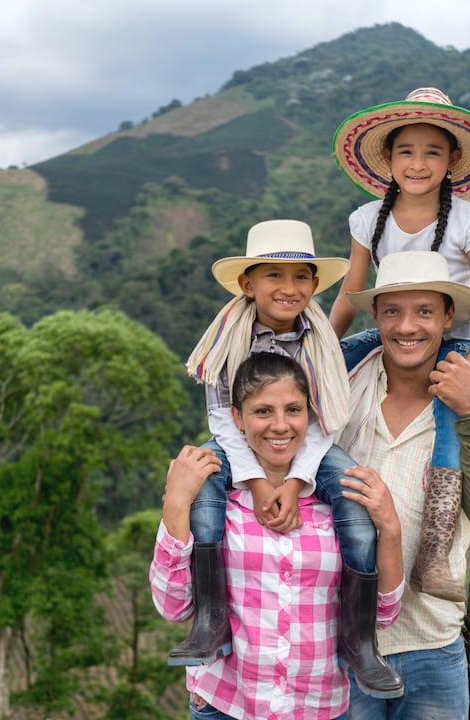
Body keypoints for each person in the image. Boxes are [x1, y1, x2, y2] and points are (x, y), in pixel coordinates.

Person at [175, 219, 402, 697]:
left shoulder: (319, 341)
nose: (288, 288)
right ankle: (211, 618)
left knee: (355, 500)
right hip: (242, 438)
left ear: (315, 285)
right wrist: (257, 481)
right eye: (273, 276)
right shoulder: (227, 338)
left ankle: (360, 641)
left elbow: (325, 419)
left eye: (301, 277)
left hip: (309, 441)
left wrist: (297, 482)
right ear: (247, 283)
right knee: (205, 491)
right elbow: (221, 417)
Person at [328, 87, 470, 602]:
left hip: (454, 338)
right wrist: (318, 347)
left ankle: (433, 549)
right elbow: (349, 292)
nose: (418, 163)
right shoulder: (368, 218)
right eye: (406, 151)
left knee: (452, 420)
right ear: (388, 157)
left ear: (453, 159)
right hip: (392, 328)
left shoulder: (469, 221)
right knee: (313, 374)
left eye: (433, 151)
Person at [152, 352, 406, 720]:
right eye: (263, 411)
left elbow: (383, 614)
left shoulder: (340, 502)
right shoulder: (215, 500)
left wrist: (391, 529)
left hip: (316, 708)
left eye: (293, 409)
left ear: (312, 417)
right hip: (227, 704)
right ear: (237, 418)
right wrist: (176, 502)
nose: (280, 425)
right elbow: (174, 606)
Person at [338, 250, 470, 720]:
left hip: (432, 645)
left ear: (447, 318)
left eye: (424, 311)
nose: (407, 327)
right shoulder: (343, 389)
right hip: (340, 642)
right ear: (376, 316)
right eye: (393, 311)